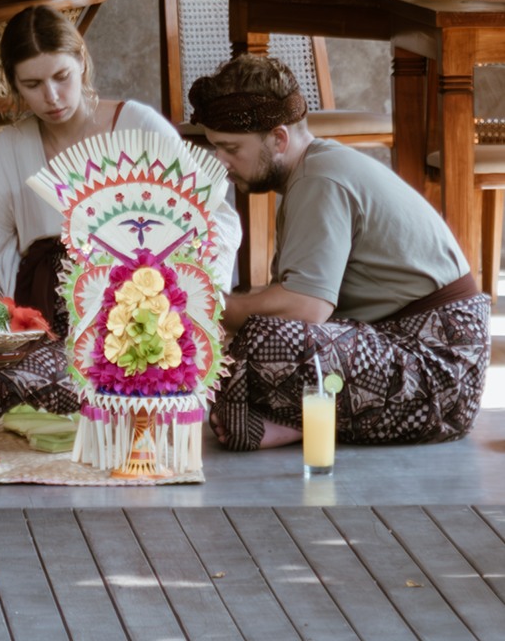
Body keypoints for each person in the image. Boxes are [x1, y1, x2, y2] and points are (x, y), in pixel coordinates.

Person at [189, 53, 491, 451]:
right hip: (395, 348)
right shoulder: (311, 171)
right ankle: (310, 421)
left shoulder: (320, 179)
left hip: (441, 375)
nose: (221, 163)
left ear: (278, 138)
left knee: (261, 342)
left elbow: (304, 309)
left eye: (230, 148)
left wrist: (199, 305)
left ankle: (308, 422)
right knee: (236, 346)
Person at [0, 5, 242, 416]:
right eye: (32, 84)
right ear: (14, 84)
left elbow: (215, 218)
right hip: (48, 330)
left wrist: (183, 300)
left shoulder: (138, 126)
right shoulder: (8, 150)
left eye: (61, 77)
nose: (51, 97)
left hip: (140, 319)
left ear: (82, 62)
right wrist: (2, 326)